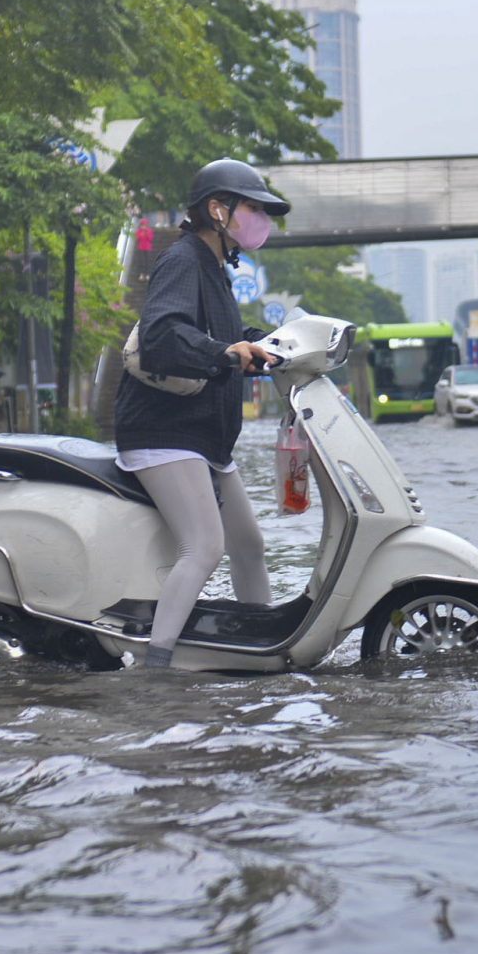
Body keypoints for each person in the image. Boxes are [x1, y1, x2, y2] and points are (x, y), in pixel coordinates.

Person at [114, 157, 287, 669]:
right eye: (251, 207)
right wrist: (224, 354)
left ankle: (263, 644)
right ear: (218, 209)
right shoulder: (183, 259)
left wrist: (267, 345)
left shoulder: (215, 269)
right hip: (165, 432)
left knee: (249, 544)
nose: (259, 218)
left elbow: (218, 336)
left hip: (204, 438)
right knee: (205, 547)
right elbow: (166, 334)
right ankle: (157, 665)